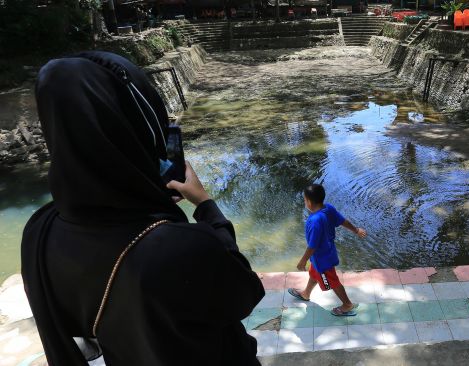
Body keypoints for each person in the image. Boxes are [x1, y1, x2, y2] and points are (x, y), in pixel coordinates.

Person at [21, 51, 264, 366]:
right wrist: (205, 206)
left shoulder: (39, 232)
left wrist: (150, 201)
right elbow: (243, 293)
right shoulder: (176, 248)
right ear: (138, 129)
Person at [288, 184, 367, 316]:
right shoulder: (328, 208)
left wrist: (302, 261)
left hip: (322, 259)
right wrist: (356, 230)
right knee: (314, 273)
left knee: (332, 281)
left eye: (304, 199)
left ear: (308, 201)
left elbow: (313, 245)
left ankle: (347, 304)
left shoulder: (314, 221)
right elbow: (343, 221)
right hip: (325, 253)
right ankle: (306, 293)